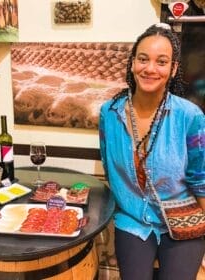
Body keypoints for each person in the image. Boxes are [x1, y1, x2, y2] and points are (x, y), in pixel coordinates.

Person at [99, 23, 205, 280]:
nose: (150, 68)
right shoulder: (109, 114)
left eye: (161, 62)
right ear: (132, 63)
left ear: (173, 69)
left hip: (184, 216)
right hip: (133, 218)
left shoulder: (190, 117)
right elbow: (108, 166)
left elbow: (201, 180)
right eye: (143, 59)